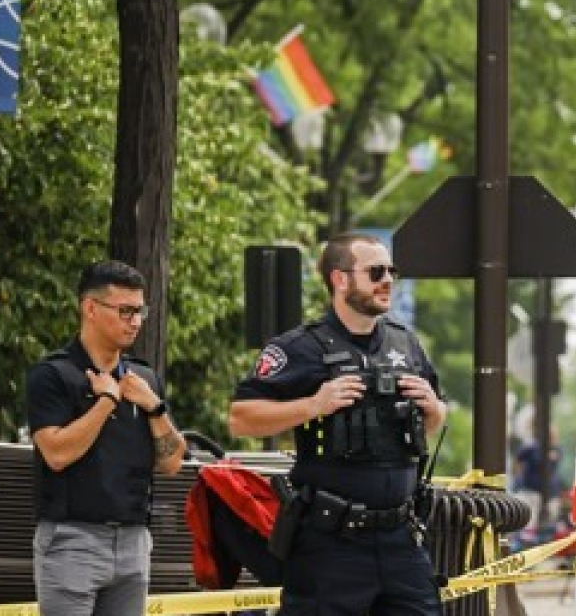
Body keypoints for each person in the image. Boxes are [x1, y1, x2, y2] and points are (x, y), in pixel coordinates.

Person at [229, 232, 448, 616]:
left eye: (391, 272)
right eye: (376, 271)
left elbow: (433, 420)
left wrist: (433, 408)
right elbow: (241, 419)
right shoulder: (300, 348)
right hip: (332, 543)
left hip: (401, 537)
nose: (387, 281)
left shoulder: (405, 345)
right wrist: (314, 404)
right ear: (340, 279)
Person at [26, 259, 185, 615]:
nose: (136, 322)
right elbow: (56, 454)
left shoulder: (144, 379)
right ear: (90, 309)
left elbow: (172, 462)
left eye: (140, 311)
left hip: (133, 540)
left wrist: (154, 407)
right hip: (72, 538)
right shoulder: (53, 375)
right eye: (125, 311)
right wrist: (107, 401)